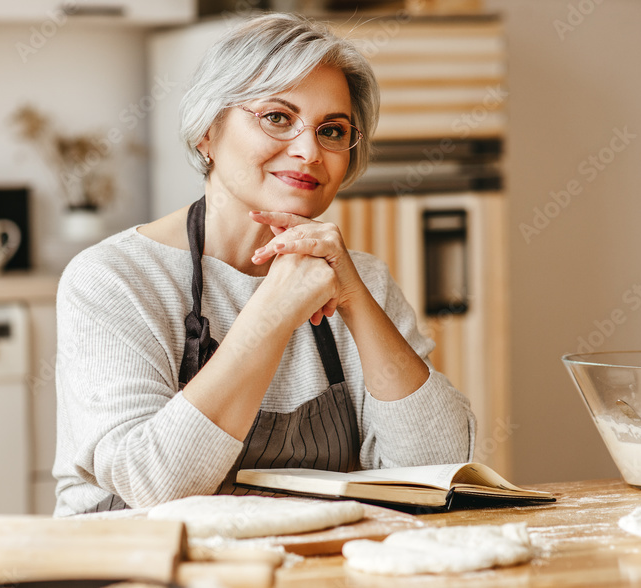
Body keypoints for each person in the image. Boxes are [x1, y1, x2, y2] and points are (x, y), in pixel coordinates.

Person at [52, 13, 476, 517]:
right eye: (277, 116)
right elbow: (150, 483)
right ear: (207, 132)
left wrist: (357, 301)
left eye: (332, 130)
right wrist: (272, 312)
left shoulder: (361, 280)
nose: (308, 151)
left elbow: (436, 472)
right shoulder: (113, 278)